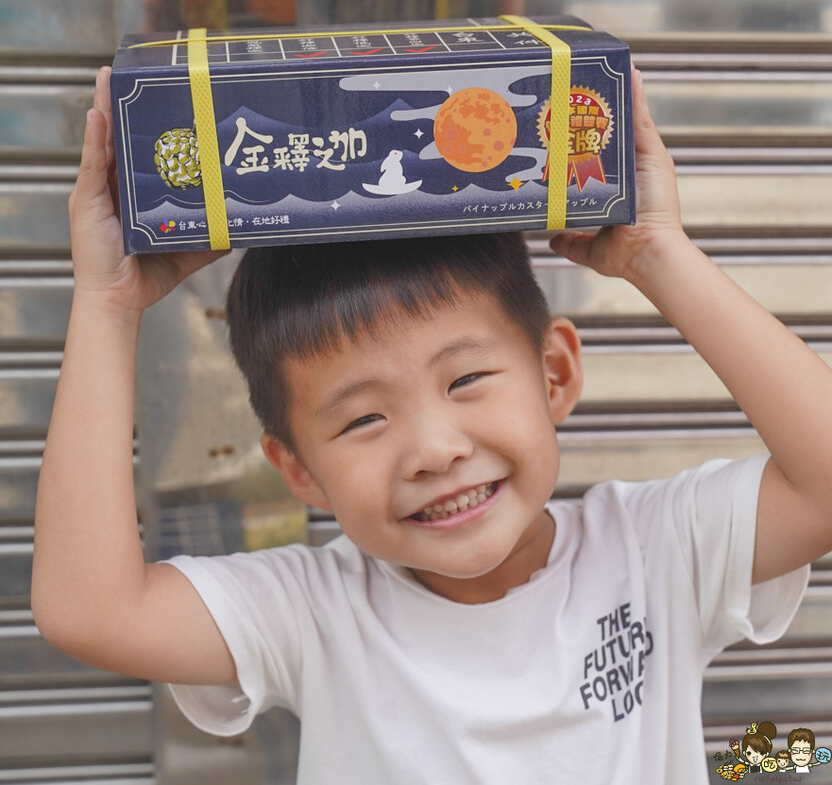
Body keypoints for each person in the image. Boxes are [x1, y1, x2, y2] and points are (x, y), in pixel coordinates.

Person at [31, 63, 832, 785]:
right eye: (363, 419)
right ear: (299, 468)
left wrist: (658, 252)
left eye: (467, 380)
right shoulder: (315, 614)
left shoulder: (656, 553)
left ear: (555, 373)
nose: (435, 450)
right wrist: (107, 305)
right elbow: (91, 612)